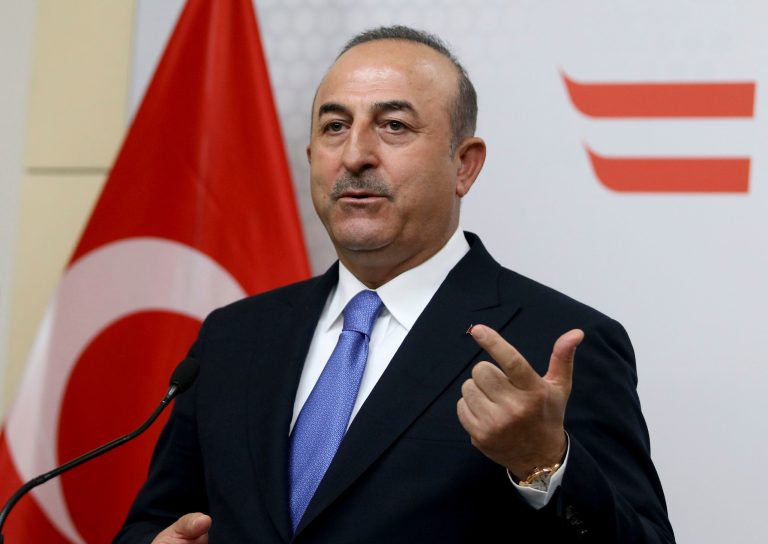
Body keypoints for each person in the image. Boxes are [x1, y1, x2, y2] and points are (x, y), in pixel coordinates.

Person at [114, 26, 674, 543]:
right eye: (335, 127)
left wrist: (545, 463)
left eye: (394, 126)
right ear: (312, 158)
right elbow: (155, 521)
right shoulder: (233, 337)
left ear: (465, 166)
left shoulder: (552, 344)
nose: (355, 155)